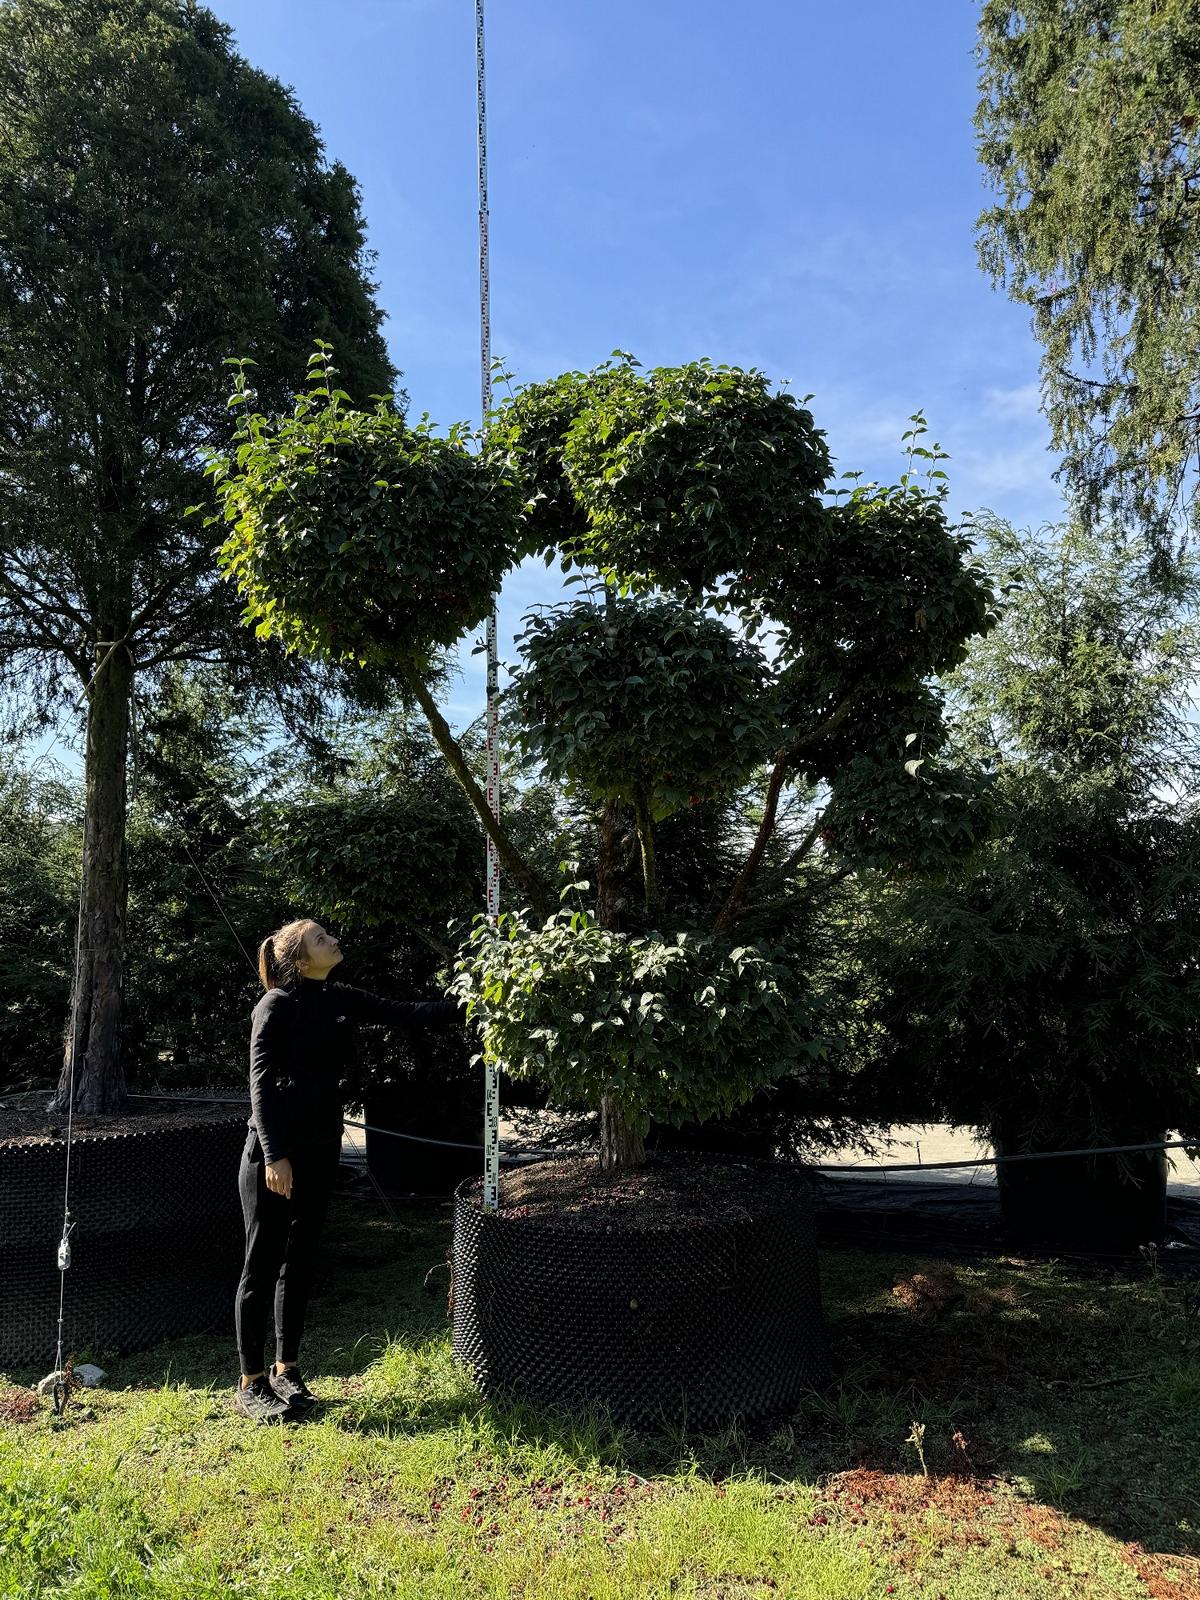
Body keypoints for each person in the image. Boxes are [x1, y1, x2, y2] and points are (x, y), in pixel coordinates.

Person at [234, 917, 459, 1423]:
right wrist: (274, 1155)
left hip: (319, 1153)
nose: (334, 939)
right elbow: (261, 1084)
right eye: (320, 938)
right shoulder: (276, 1005)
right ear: (299, 958)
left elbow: (410, 1013)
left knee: (299, 1260)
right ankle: (249, 1383)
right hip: (274, 1158)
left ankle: (286, 1370)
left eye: (329, 934)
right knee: (261, 1262)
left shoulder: (338, 997)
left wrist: (481, 1005)